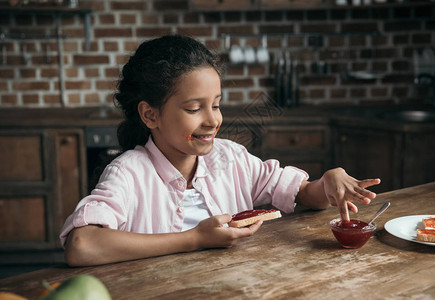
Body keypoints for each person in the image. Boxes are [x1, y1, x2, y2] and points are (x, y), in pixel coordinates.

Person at [61, 35, 380, 267]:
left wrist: (329, 181)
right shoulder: (128, 172)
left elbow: (305, 194)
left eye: (216, 104)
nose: (213, 119)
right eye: (194, 108)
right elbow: (82, 246)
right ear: (150, 115)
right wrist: (195, 239)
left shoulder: (231, 158)